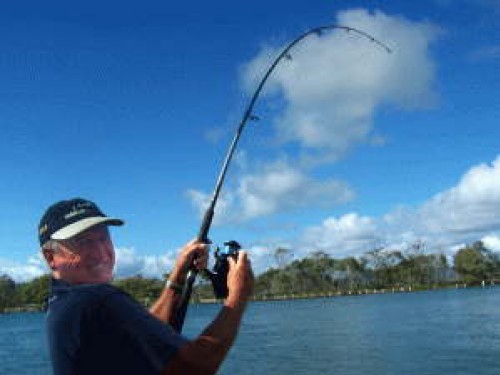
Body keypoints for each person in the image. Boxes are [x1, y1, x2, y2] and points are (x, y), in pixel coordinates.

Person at [39, 197, 254, 375]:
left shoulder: (61, 302)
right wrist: (238, 294)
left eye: (104, 237)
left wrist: (176, 277)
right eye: (83, 242)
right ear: (51, 257)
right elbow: (197, 367)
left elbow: (146, 333)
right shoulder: (97, 300)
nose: (101, 251)